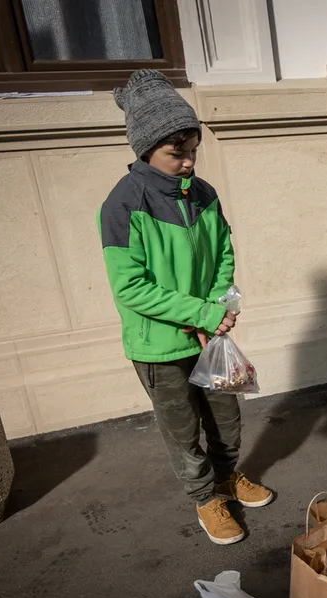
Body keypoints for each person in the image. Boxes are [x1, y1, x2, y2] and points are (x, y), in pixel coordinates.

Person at [98, 69, 274, 546]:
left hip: (208, 332)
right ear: (145, 149)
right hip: (158, 345)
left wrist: (220, 306)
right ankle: (205, 498)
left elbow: (223, 257)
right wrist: (203, 314)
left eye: (193, 150)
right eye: (177, 153)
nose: (189, 162)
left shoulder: (204, 195)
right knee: (182, 428)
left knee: (226, 415)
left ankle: (226, 477)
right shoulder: (122, 205)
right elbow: (130, 288)